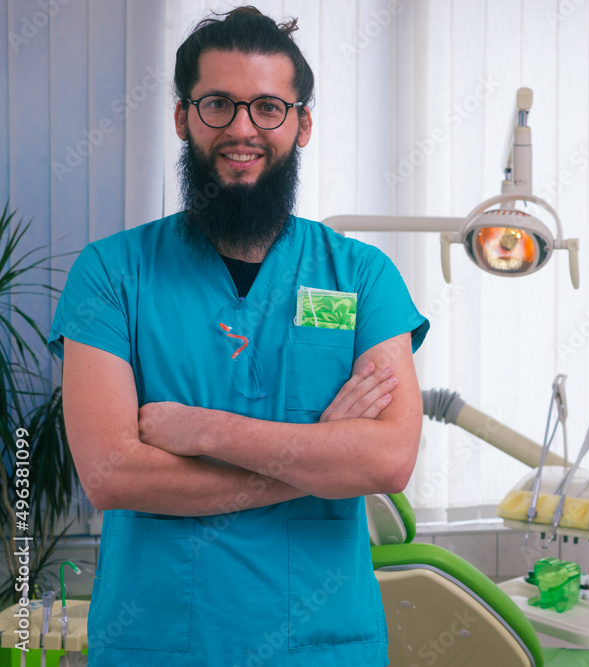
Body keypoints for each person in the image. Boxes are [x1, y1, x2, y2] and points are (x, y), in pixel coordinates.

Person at [47, 7, 428, 666]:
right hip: (163, 644)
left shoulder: (361, 277)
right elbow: (110, 472)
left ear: (302, 123)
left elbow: (388, 460)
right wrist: (319, 459)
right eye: (218, 104)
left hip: (324, 646)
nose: (243, 129)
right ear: (182, 117)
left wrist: (202, 430)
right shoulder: (111, 274)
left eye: (269, 108)